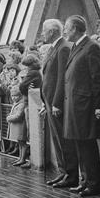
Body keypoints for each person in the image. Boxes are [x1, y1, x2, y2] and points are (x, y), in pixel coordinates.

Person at [63, 15, 100, 197]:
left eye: (66, 27)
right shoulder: (76, 46)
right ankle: (86, 180)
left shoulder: (92, 47)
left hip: (85, 106)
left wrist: (97, 106)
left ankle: (95, 184)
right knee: (81, 145)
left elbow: (99, 78)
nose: (64, 31)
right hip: (76, 106)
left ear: (75, 29)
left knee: (88, 146)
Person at [40, 19, 79, 188]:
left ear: (52, 32)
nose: (42, 34)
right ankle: (63, 172)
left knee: (64, 140)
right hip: (49, 102)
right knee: (57, 139)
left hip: (57, 103)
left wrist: (56, 102)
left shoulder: (63, 48)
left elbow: (63, 78)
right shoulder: (55, 47)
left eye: (44, 31)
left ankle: (70, 175)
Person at [7, 86, 27, 166]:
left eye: (16, 96)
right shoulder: (17, 103)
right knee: (20, 143)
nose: (14, 98)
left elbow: (18, 116)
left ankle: (23, 159)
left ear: (20, 95)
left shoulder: (21, 104)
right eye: (12, 96)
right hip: (17, 127)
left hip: (21, 127)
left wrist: (9, 117)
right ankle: (20, 158)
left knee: (22, 143)